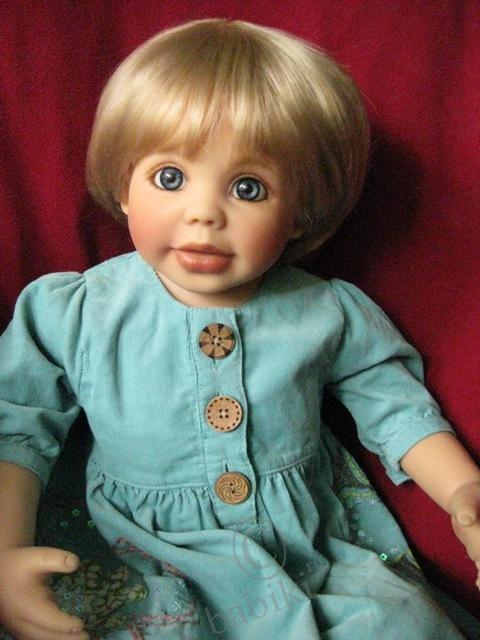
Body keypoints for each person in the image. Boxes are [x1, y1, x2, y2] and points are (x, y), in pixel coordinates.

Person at [0, 18, 479, 640]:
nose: (204, 212)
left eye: (248, 188)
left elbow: (395, 407)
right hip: (135, 557)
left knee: (407, 625)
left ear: (300, 213)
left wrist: (463, 490)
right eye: (170, 177)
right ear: (124, 187)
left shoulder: (325, 311)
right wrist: (6, 553)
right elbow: (17, 428)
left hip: (306, 551)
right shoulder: (75, 313)